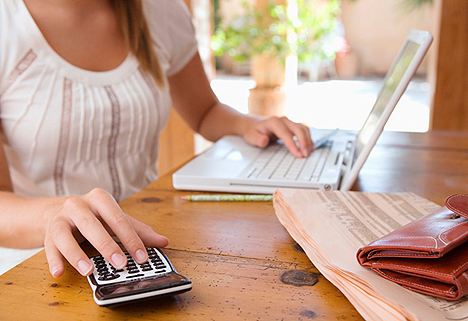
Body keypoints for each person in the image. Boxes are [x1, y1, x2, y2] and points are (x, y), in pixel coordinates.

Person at [0, 0, 313, 279]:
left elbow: (204, 111)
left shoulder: (160, 10)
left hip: (152, 250)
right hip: (41, 266)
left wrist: (250, 124)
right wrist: (53, 214)